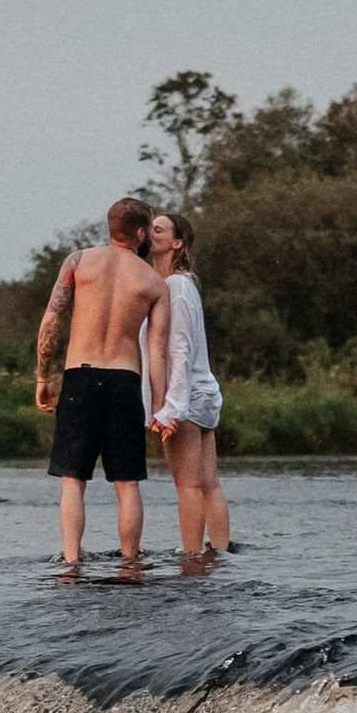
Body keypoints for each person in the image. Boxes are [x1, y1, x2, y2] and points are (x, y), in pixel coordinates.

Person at [36, 198, 161, 569]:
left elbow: (50, 322)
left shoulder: (79, 261)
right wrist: (160, 404)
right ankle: (129, 562)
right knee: (127, 483)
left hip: (81, 375)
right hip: (126, 380)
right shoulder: (153, 282)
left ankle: (72, 563)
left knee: (73, 480)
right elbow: (158, 349)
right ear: (140, 232)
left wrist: (44, 376)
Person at [145, 208, 230, 556]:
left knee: (189, 486)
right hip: (203, 391)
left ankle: (192, 558)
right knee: (208, 484)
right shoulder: (182, 284)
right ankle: (220, 554)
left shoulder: (175, 287)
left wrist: (171, 407)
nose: (151, 233)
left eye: (159, 230)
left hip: (188, 396)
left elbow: (178, 349)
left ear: (176, 243)